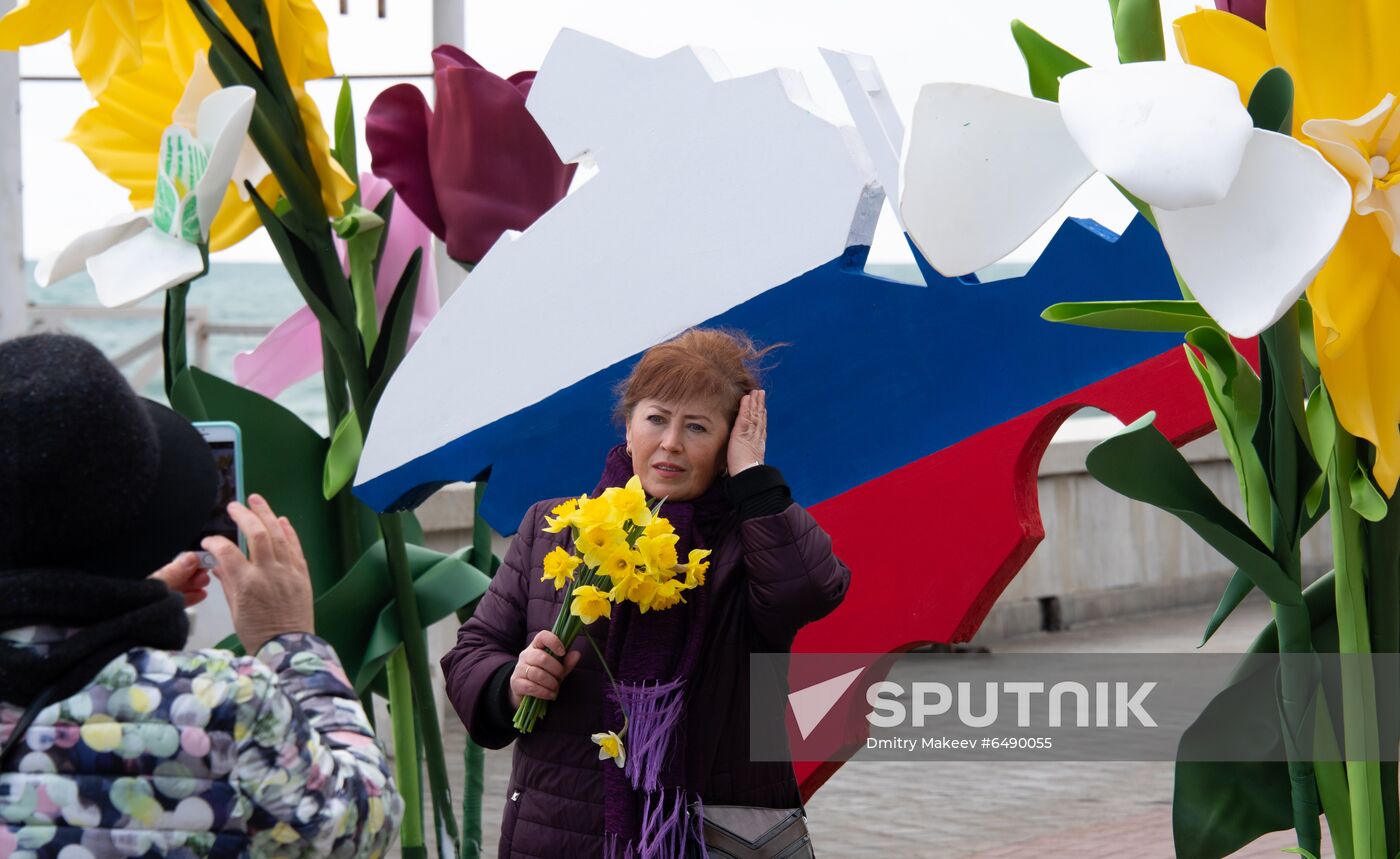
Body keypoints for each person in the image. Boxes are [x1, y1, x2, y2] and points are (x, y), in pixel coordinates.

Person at [442, 328, 850, 858]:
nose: (671, 443)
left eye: (698, 427)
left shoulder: (748, 540)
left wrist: (751, 476)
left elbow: (810, 589)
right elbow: (471, 653)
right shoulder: (555, 525)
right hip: (561, 830)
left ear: (727, 441)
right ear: (628, 427)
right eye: (656, 418)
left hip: (710, 837)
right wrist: (512, 684)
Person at [0, 333, 402, 858]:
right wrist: (291, 642)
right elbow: (359, 824)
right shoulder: (223, 706)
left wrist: (115, 615)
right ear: (147, 523)